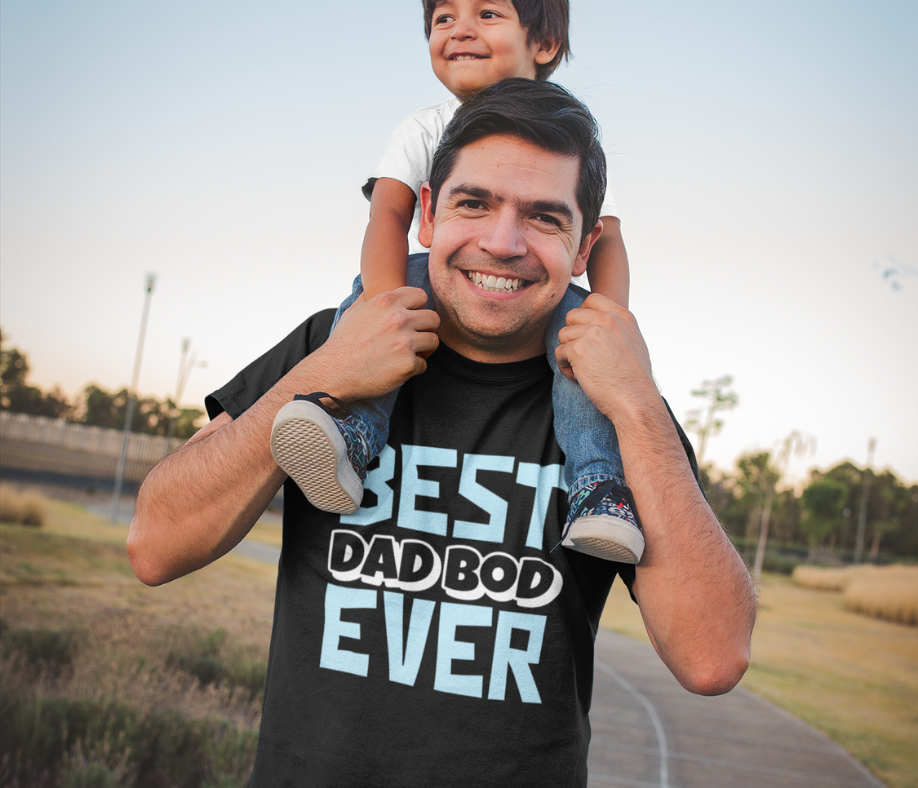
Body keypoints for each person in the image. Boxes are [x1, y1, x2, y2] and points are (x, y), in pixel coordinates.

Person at [127, 79, 756, 787]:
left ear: (585, 250)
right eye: (473, 203)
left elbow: (712, 657)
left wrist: (637, 404)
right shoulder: (329, 342)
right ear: (426, 214)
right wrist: (331, 369)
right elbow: (154, 546)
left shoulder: (618, 404)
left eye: (545, 218)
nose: (502, 242)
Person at [269, 0, 643, 564]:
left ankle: (598, 486)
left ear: (542, 45)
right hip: (431, 280)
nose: (460, 29)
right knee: (365, 307)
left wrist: (605, 330)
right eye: (444, 18)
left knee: (579, 352)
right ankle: (356, 432)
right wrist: (384, 307)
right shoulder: (425, 126)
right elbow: (388, 216)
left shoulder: (568, 144)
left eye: (487, 13)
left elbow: (607, 239)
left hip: (545, 299)